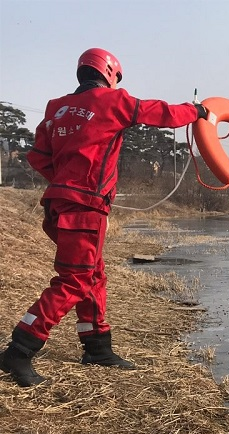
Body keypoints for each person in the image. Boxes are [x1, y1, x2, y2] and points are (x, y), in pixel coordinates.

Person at [0, 48, 209, 387]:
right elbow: (164, 113)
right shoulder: (113, 101)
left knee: (92, 274)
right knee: (74, 280)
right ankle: (19, 351)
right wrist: (198, 110)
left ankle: (97, 348)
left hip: (59, 203)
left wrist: (65, 179)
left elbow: (37, 156)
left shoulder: (56, 108)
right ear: (110, 74)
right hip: (86, 206)